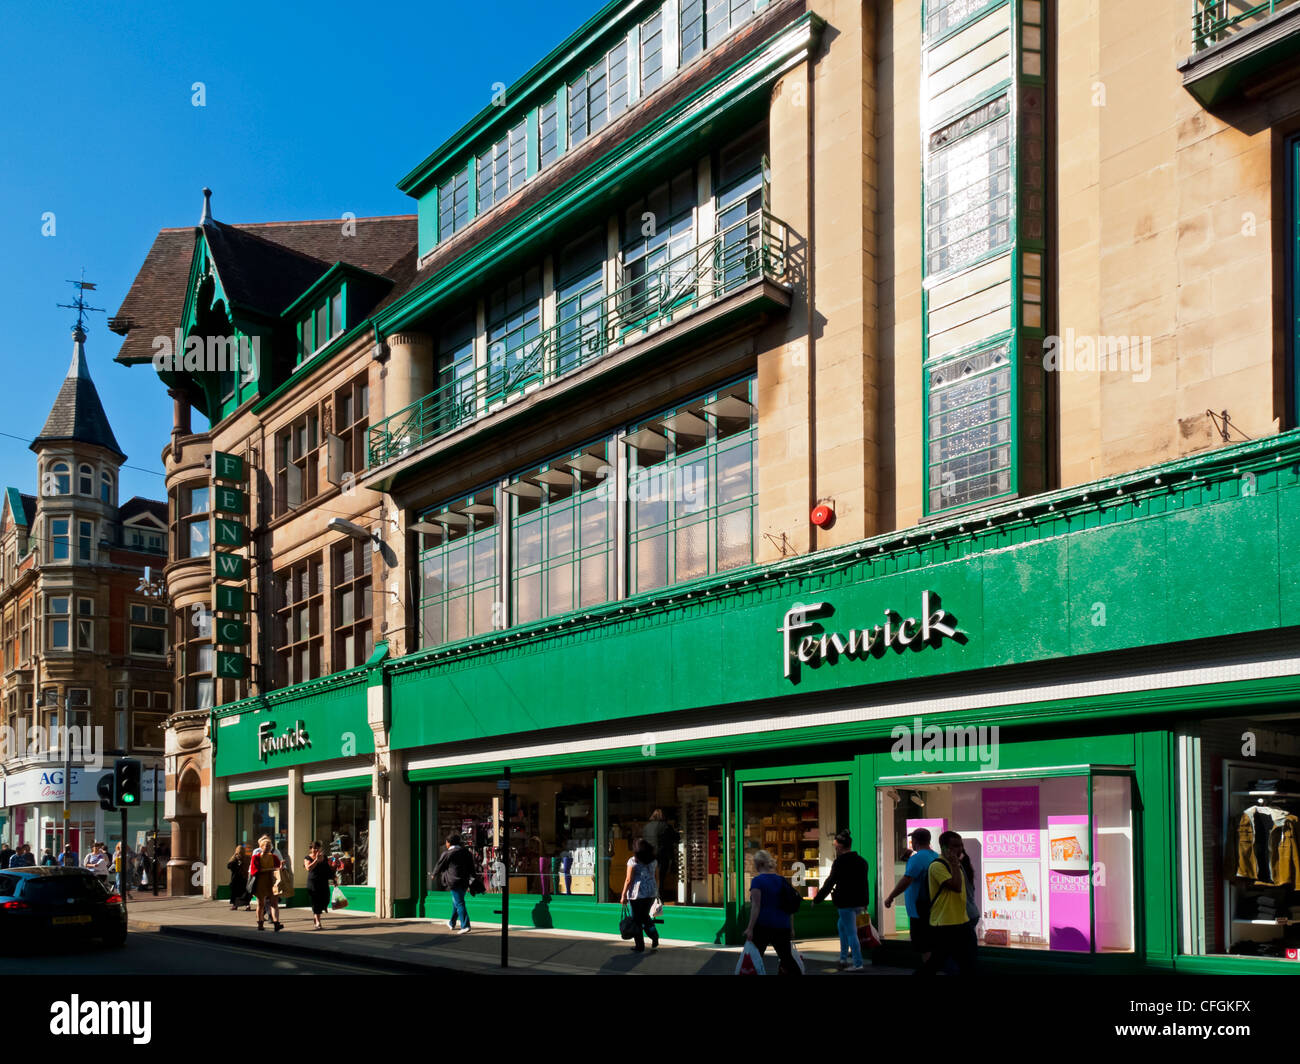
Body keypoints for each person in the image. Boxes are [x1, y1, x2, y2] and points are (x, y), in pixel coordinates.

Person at [917, 831, 976, 976]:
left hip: (961, 921)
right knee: (936, 962)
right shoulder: (937, 866)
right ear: (944, 848)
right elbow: (956, 887)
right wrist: (956, 864)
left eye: (960, 845)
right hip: (944, 924)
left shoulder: (957, 865)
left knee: (968, 962)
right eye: (955, 846)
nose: (959, 849)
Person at [883, 827, 940, 970]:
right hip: (933, 908)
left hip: (919, 909)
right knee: (931, 945)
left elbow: (907, 879)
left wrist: (890, 897)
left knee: (924, 946)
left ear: (915, 841)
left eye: (912, 840)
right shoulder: (936, 856)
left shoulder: (917, 858)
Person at [813, 829, 869, 971]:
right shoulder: (862, 862)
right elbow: (865, 883)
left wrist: (817, 899)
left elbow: (829, 882)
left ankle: (857, 963)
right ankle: (843, 958)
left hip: (845, 902)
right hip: (859, 902)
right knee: (842, 926)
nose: (835, 847)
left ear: (840, 846)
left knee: (851, 932)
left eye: (835, 845)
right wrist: (865, 903)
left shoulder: (839, 862)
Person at [742, 849, 802, 975]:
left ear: (757, 865)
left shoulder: (757, 881)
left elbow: (756, 906)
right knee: (786, 958)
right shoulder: (781, 880)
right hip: (782, 925)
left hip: (763, 925)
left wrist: (750, 928)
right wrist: (791, 927)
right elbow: (789, 906)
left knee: (755, 958)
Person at [619, 837, 660, 952]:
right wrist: (656, 891)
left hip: (636, 895)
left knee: (636, 920)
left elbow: (628, 880)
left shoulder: (632, 861)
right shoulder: (654, 861)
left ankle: (640, 946)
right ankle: (654, 935)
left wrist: (623, 895)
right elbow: (657, 878)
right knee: (645, 917)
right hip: (650, 892)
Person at [431, 832, 475, 935]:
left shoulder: (447, 853)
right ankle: (452, 922)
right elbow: (472, 867)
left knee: (459, 903)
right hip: (464, 881)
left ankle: (465, 925)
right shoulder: (466, 852)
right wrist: (473, 878)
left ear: (449, 843)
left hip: (453, 881)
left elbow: (439, 865)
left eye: (446, 842)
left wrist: (433, 874)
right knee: (457, 902)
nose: (446, 844)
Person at [248, 836, 283, 931]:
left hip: (271, 882)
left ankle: (276, 923)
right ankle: (260, 923)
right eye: (266, 846)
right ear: (261, 847)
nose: (268, 847)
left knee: (274, 903)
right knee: (261, 904)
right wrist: (271, 869)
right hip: (261, 883)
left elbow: (278, 868)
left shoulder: (274, 857)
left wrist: (281, 866)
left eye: (269, 846)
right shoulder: (256, 857)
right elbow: (254, 871)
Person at [303, 841, 336, 930]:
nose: (316, 850)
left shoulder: (324, 857)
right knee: (316, 902)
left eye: (318, 848)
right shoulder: (307, 857)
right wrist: (316, 860)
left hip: (323, 882)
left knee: (326, 899)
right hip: (313, 883)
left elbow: (328, 869)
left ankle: (316, 916)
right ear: (311, 849)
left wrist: (334, 878)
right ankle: (318, 921)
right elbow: (308, 868)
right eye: (314, 848)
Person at [227, 845, 250, 910]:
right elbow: (229, 866)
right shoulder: (234, 858)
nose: (239, 854)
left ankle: (243, 905)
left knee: (243, 892)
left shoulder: (246, 858)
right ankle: (238, 905)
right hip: (239, 878)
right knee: (238, 892)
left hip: (242, 878)